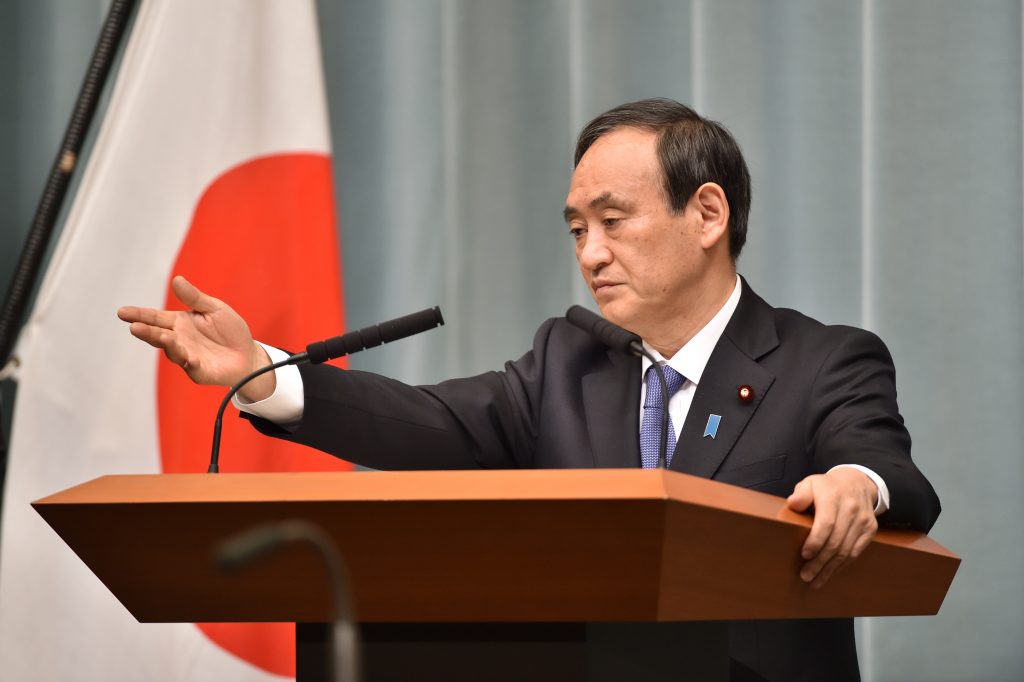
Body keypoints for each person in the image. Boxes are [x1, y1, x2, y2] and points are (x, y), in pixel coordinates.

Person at [119, 98, 939, 680]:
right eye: (578, 229)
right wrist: (264, 373)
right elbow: (430, 424)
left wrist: (852, 486)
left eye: (614, 222)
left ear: (709, 214)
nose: (590, 253)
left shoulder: (822, 359)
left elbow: (887, 471)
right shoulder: (569, 362)